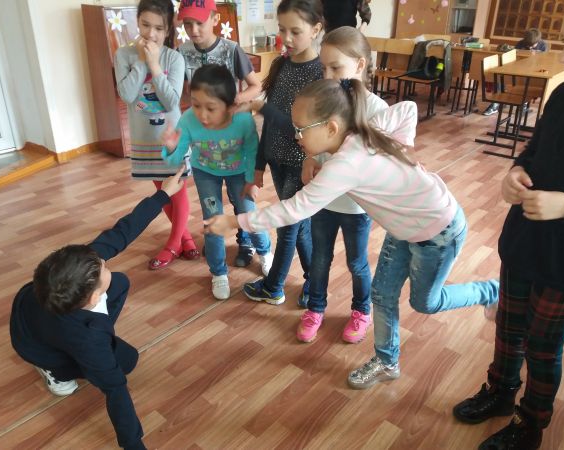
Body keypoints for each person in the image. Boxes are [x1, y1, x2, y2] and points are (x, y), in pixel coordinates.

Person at [205, 78, 499, 384]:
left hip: (437, 232)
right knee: (381, 294)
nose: (296, 136)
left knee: (425, 303)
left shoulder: (345, 163)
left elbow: (293, 210)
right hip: (403, 229)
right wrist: (402, 145)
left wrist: (234, 222)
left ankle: (491, 292)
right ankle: (387, 362)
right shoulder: (358, 137)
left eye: (301, 129)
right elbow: (407, 109)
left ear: (331, 128)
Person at [452, 2, 564, 448]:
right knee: (508, 328)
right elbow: (535, 150)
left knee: (542, 346)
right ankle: (499, 391)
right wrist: (515, 172)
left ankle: (530, 423)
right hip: (525, 240)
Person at [10, 166, 187, 450]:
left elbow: (121, 233)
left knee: (121, 282)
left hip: (34, 314)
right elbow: (115, 391)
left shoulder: (70, 271)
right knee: (126, 362)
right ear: (93, 298)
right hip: (37, 345)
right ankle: (53, 372)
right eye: (103, 266)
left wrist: (163, 195)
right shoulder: (88, 339)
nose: (105, 261)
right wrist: (133, 445)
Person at [296, 26, 388, 343]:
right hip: (325, 200)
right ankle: (315, 308)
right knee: (320, 259)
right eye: (324, 68)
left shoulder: (376, 109)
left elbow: (380, 162)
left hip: (356, 207)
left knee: (357, 262)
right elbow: (312, 137)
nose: (328, 75)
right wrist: (310, 159)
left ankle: (362, 311)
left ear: (360, 65)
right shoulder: (324, 101)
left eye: (335, 67)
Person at [161, 64, 273, 300]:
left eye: (210, 108)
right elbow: (176, 158)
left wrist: (252, 179)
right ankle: (218, 272)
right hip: (206, 173)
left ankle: (265, 253)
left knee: (248, 212)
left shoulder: (242, 119)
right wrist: (171, 148)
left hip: (239, 172)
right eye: (196, 105)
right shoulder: (188, 120)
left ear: (230, 105)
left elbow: (252, 149)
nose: (202, 115)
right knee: (212, 219)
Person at [239, 0, 324, 306]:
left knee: (289, 227)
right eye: (282, 29)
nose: (286, 38)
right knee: (299, 228)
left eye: (295, 31)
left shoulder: (320, 74)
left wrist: (263, 108)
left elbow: (303, 131)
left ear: (315, 30)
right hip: (277, 161)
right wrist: (259, 165)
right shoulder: (282, 65)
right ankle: (315, 283)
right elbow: (270, 126)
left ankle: (273, 287)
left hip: (302, 165)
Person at [177, 0, 263, 268]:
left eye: (199, 23)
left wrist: (232, 103)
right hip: (206, 139)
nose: (193, 30)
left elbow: (255, 86)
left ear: (214, 19)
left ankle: (246, 241)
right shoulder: (181, 52)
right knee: (211, 201)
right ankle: (216, 239)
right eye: (187, 24)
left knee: (241, 200)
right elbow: (184, 93)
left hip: (234, 135)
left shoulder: (231, 49)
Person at [115, 0, 200, 270]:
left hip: (171, 138)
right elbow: (127, 95)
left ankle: (173, 245)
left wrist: (154, 65)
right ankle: (185, 238)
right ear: (137, 22)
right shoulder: (123, 54)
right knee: (162, 191)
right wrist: (142, 62)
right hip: (144, 140)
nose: (151, 34)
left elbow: (171, 101)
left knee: (177, 189)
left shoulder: (174, 58)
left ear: (168, 29)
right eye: (145, 25)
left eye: (159, 28)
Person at [482, 28, 548, 116]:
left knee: (527, 82)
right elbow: (513, 57)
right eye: (528, 45)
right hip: (517, 70)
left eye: (533, 46)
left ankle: (523, 105)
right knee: (499, 77)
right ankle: (496, 103)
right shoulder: (521, 43)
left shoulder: (543, 45)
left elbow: (543, 60)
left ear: (538, 41)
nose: (530, 47)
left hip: (532, 71)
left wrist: (535, 56)